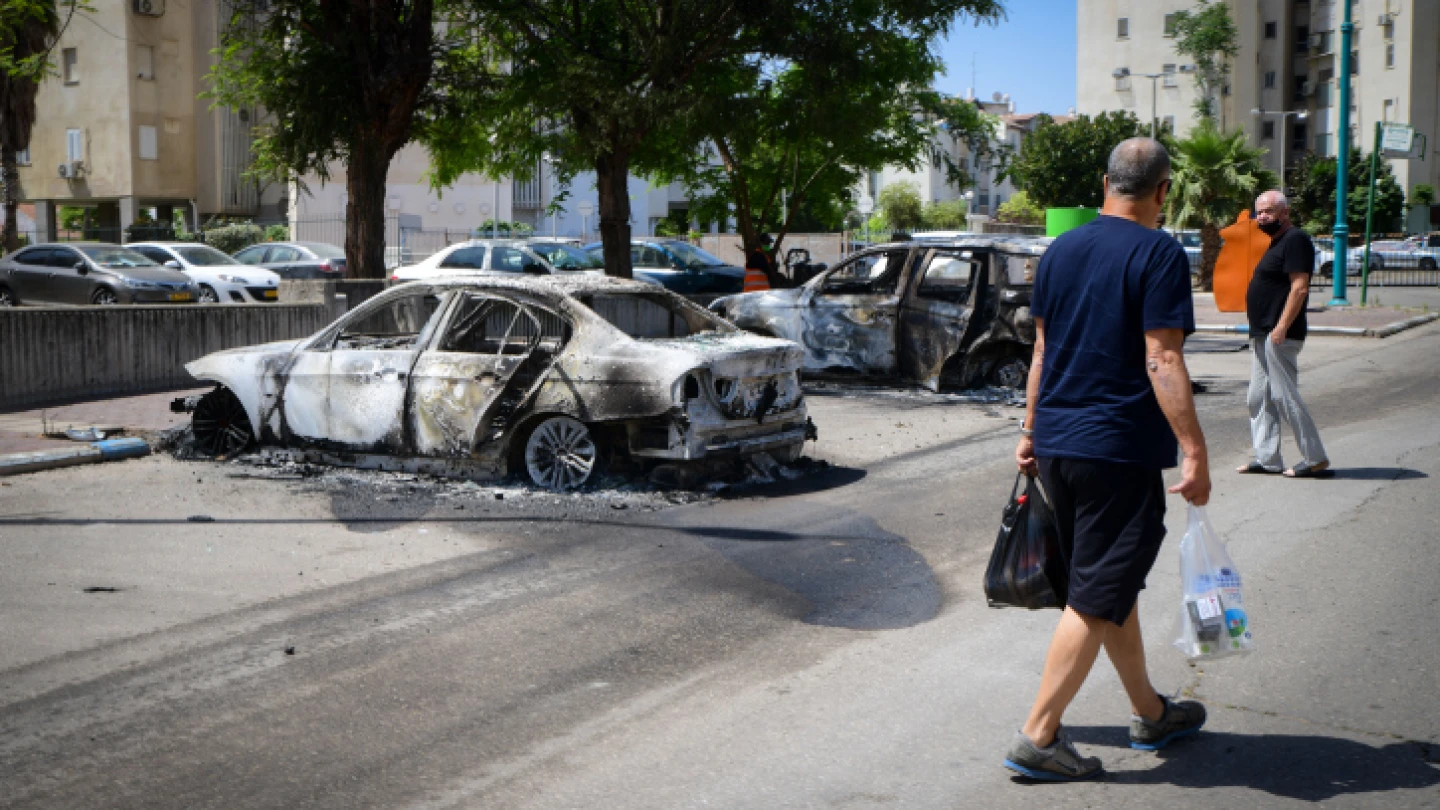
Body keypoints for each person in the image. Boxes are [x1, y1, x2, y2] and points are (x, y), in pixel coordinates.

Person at [1007, 138, 1211, 782]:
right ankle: (1039, 735)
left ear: (1105, 184)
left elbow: (1041, 351)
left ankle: (1149, 712)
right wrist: (1195, 449)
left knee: (1106, 584)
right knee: (1096, 593)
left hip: (1061, 447)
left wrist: (1030, 428)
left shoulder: (1060, 250)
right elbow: (1162, 358)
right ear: (1162, 192)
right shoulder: (1158, 252)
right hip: (1116, 451)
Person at [1236, 190, 1330, 478]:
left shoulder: (1296, 240)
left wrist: (1281, 326)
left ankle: (1315, 458)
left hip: (1280, 334)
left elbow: (1299, 287)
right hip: (1262, 333)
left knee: (1283, 395)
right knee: (1258, 398)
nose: (1261, 217)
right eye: (1259, 212)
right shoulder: (1276, 243)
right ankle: (1268, 459)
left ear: (1284, 213)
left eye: (1268, 211)